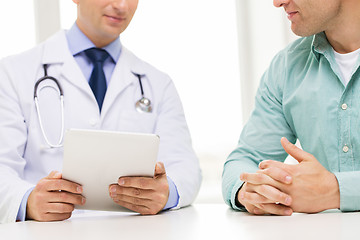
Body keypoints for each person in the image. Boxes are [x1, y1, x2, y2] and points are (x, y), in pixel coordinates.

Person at [0, 0, 201, 223]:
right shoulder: (13, 74)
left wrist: (166, 192)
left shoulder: (157, 83)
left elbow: (186, 167)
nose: (122, 6)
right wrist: (27, 200)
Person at [222, 0, 360, 216]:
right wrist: (250, 190)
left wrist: (336, 191)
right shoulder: (287, 66)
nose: (278, 2)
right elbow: (245, 160)